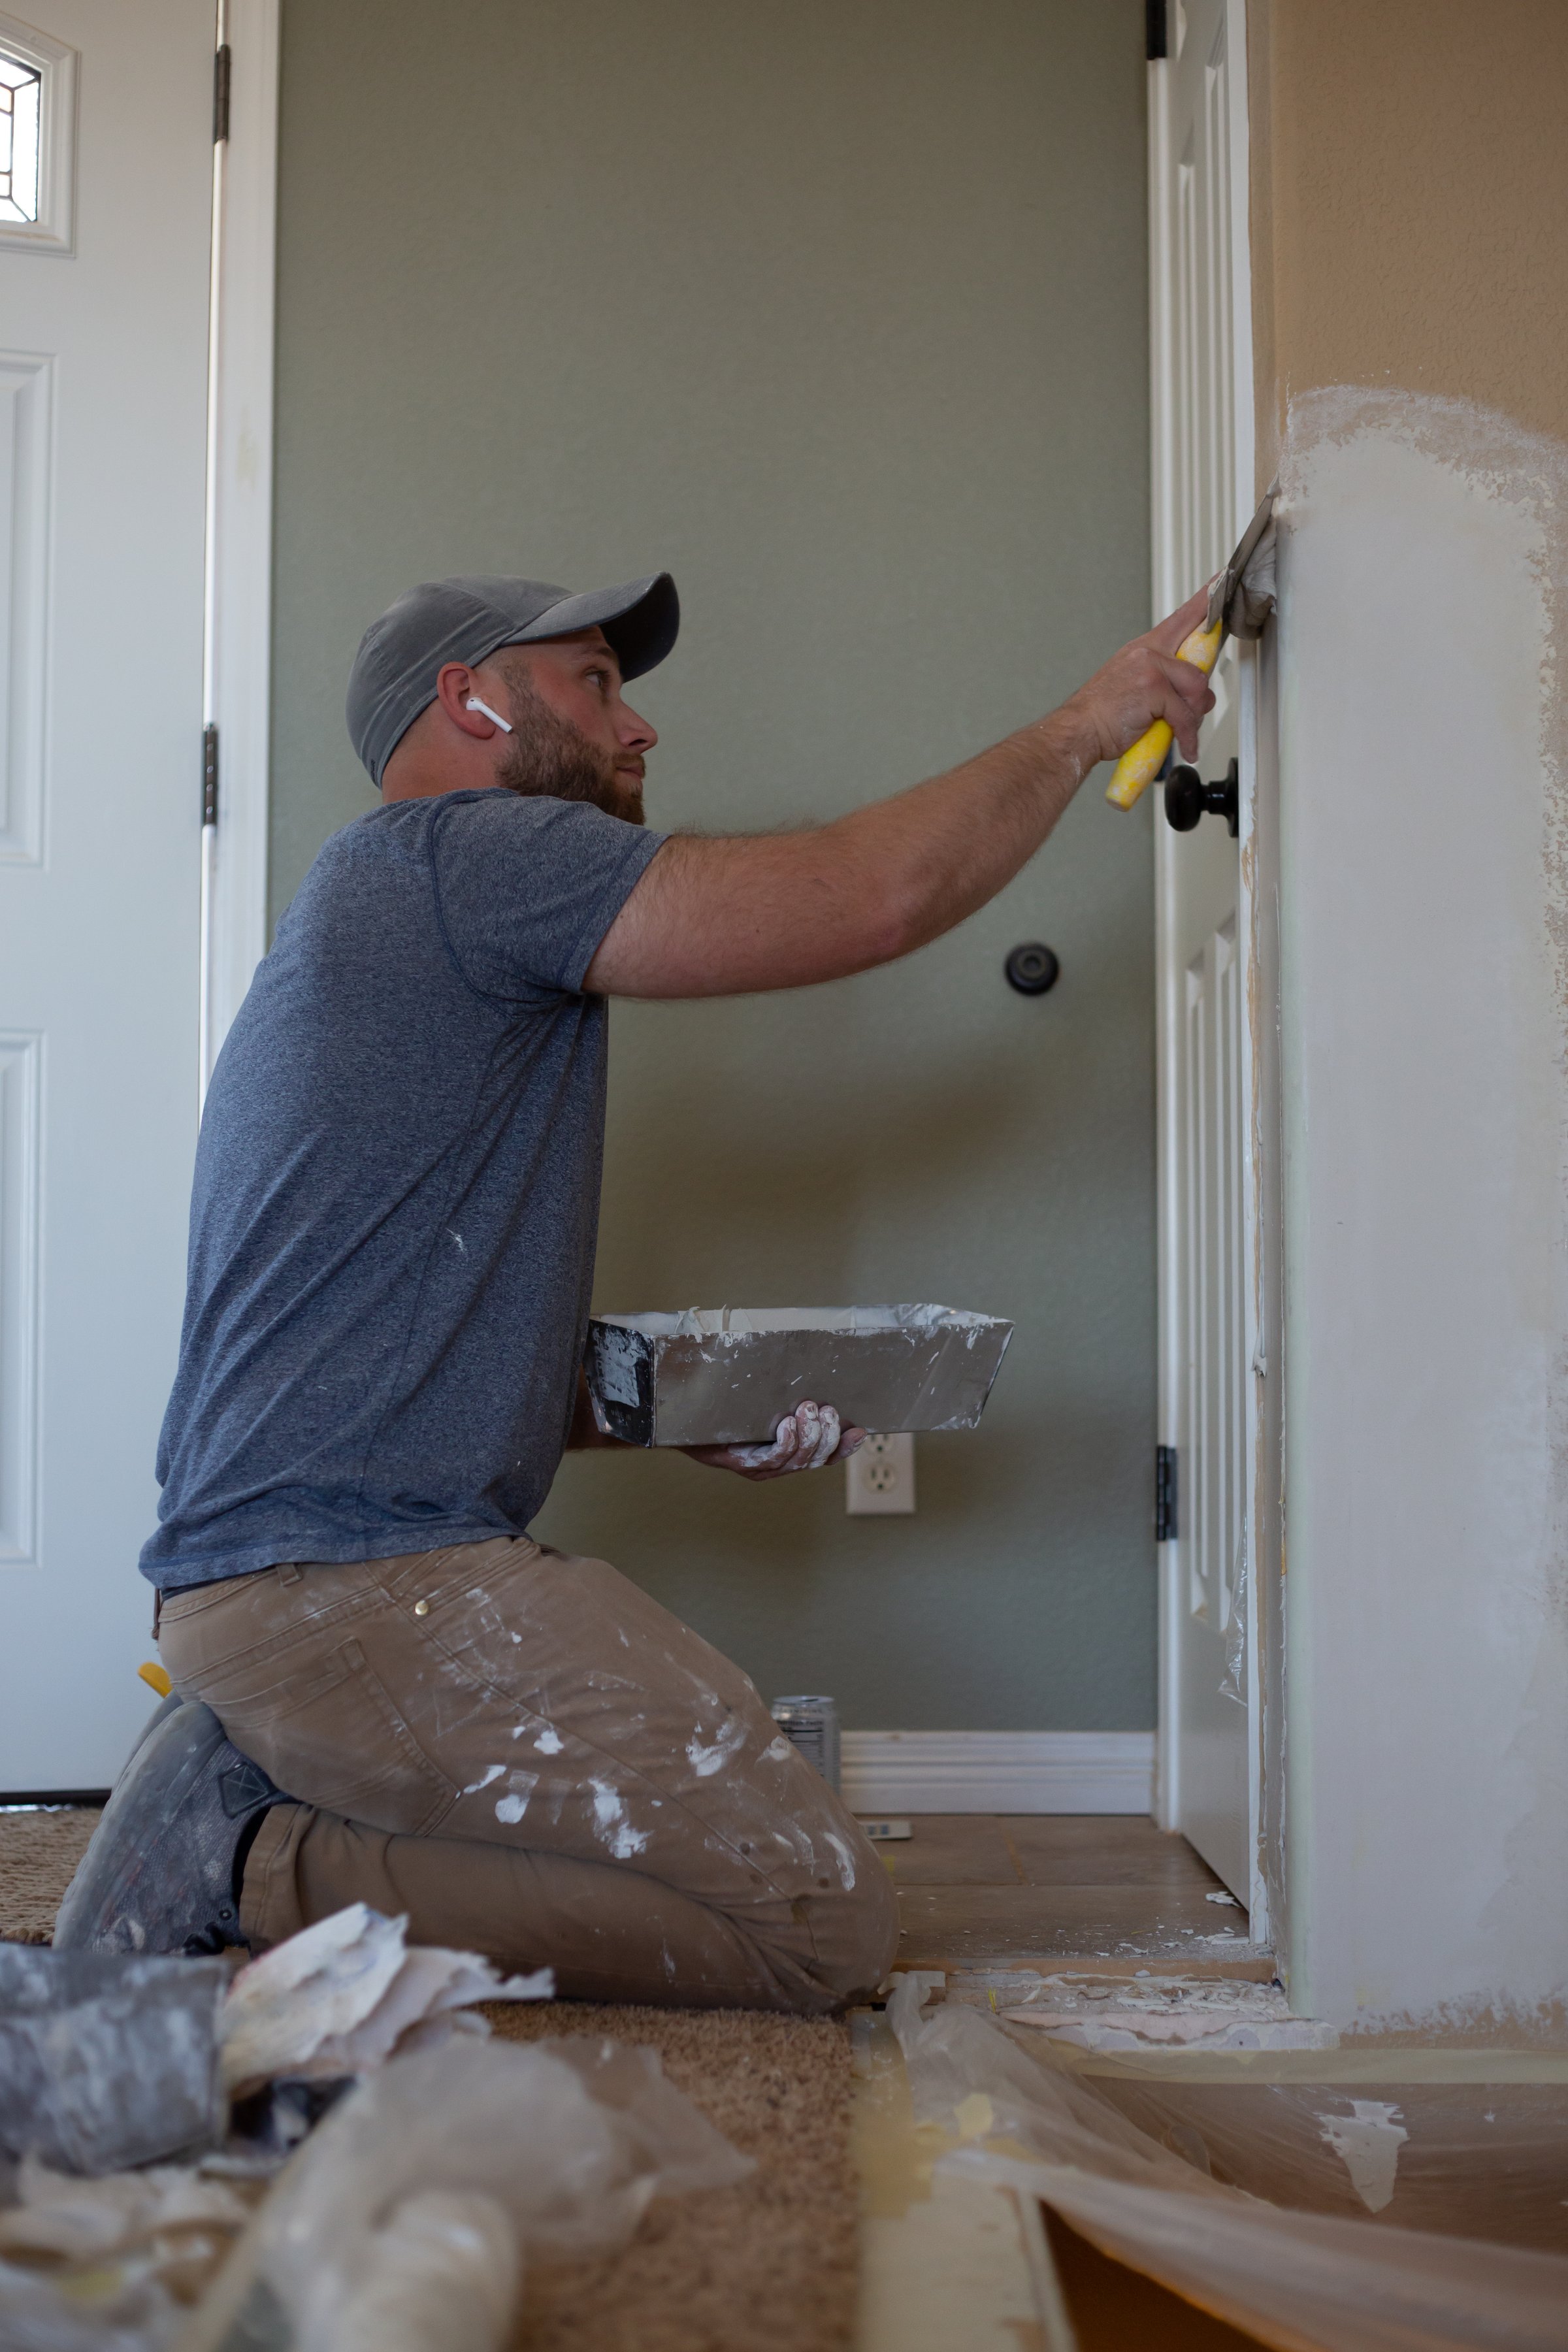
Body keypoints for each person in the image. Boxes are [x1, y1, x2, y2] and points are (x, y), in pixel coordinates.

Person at [57, 568, 1213, 2012]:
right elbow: (873, 896)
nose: (640, 725)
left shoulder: (400, 913)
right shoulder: (459, 856)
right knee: (819, 1930)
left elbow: (391, 1321)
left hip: (306, 1584)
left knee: (766, 1902)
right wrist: (1081, 729)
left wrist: (664, 1409)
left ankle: (271, 1783)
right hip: (350, 1591)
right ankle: (238, 1864)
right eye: (596, 682)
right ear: (469, 698)